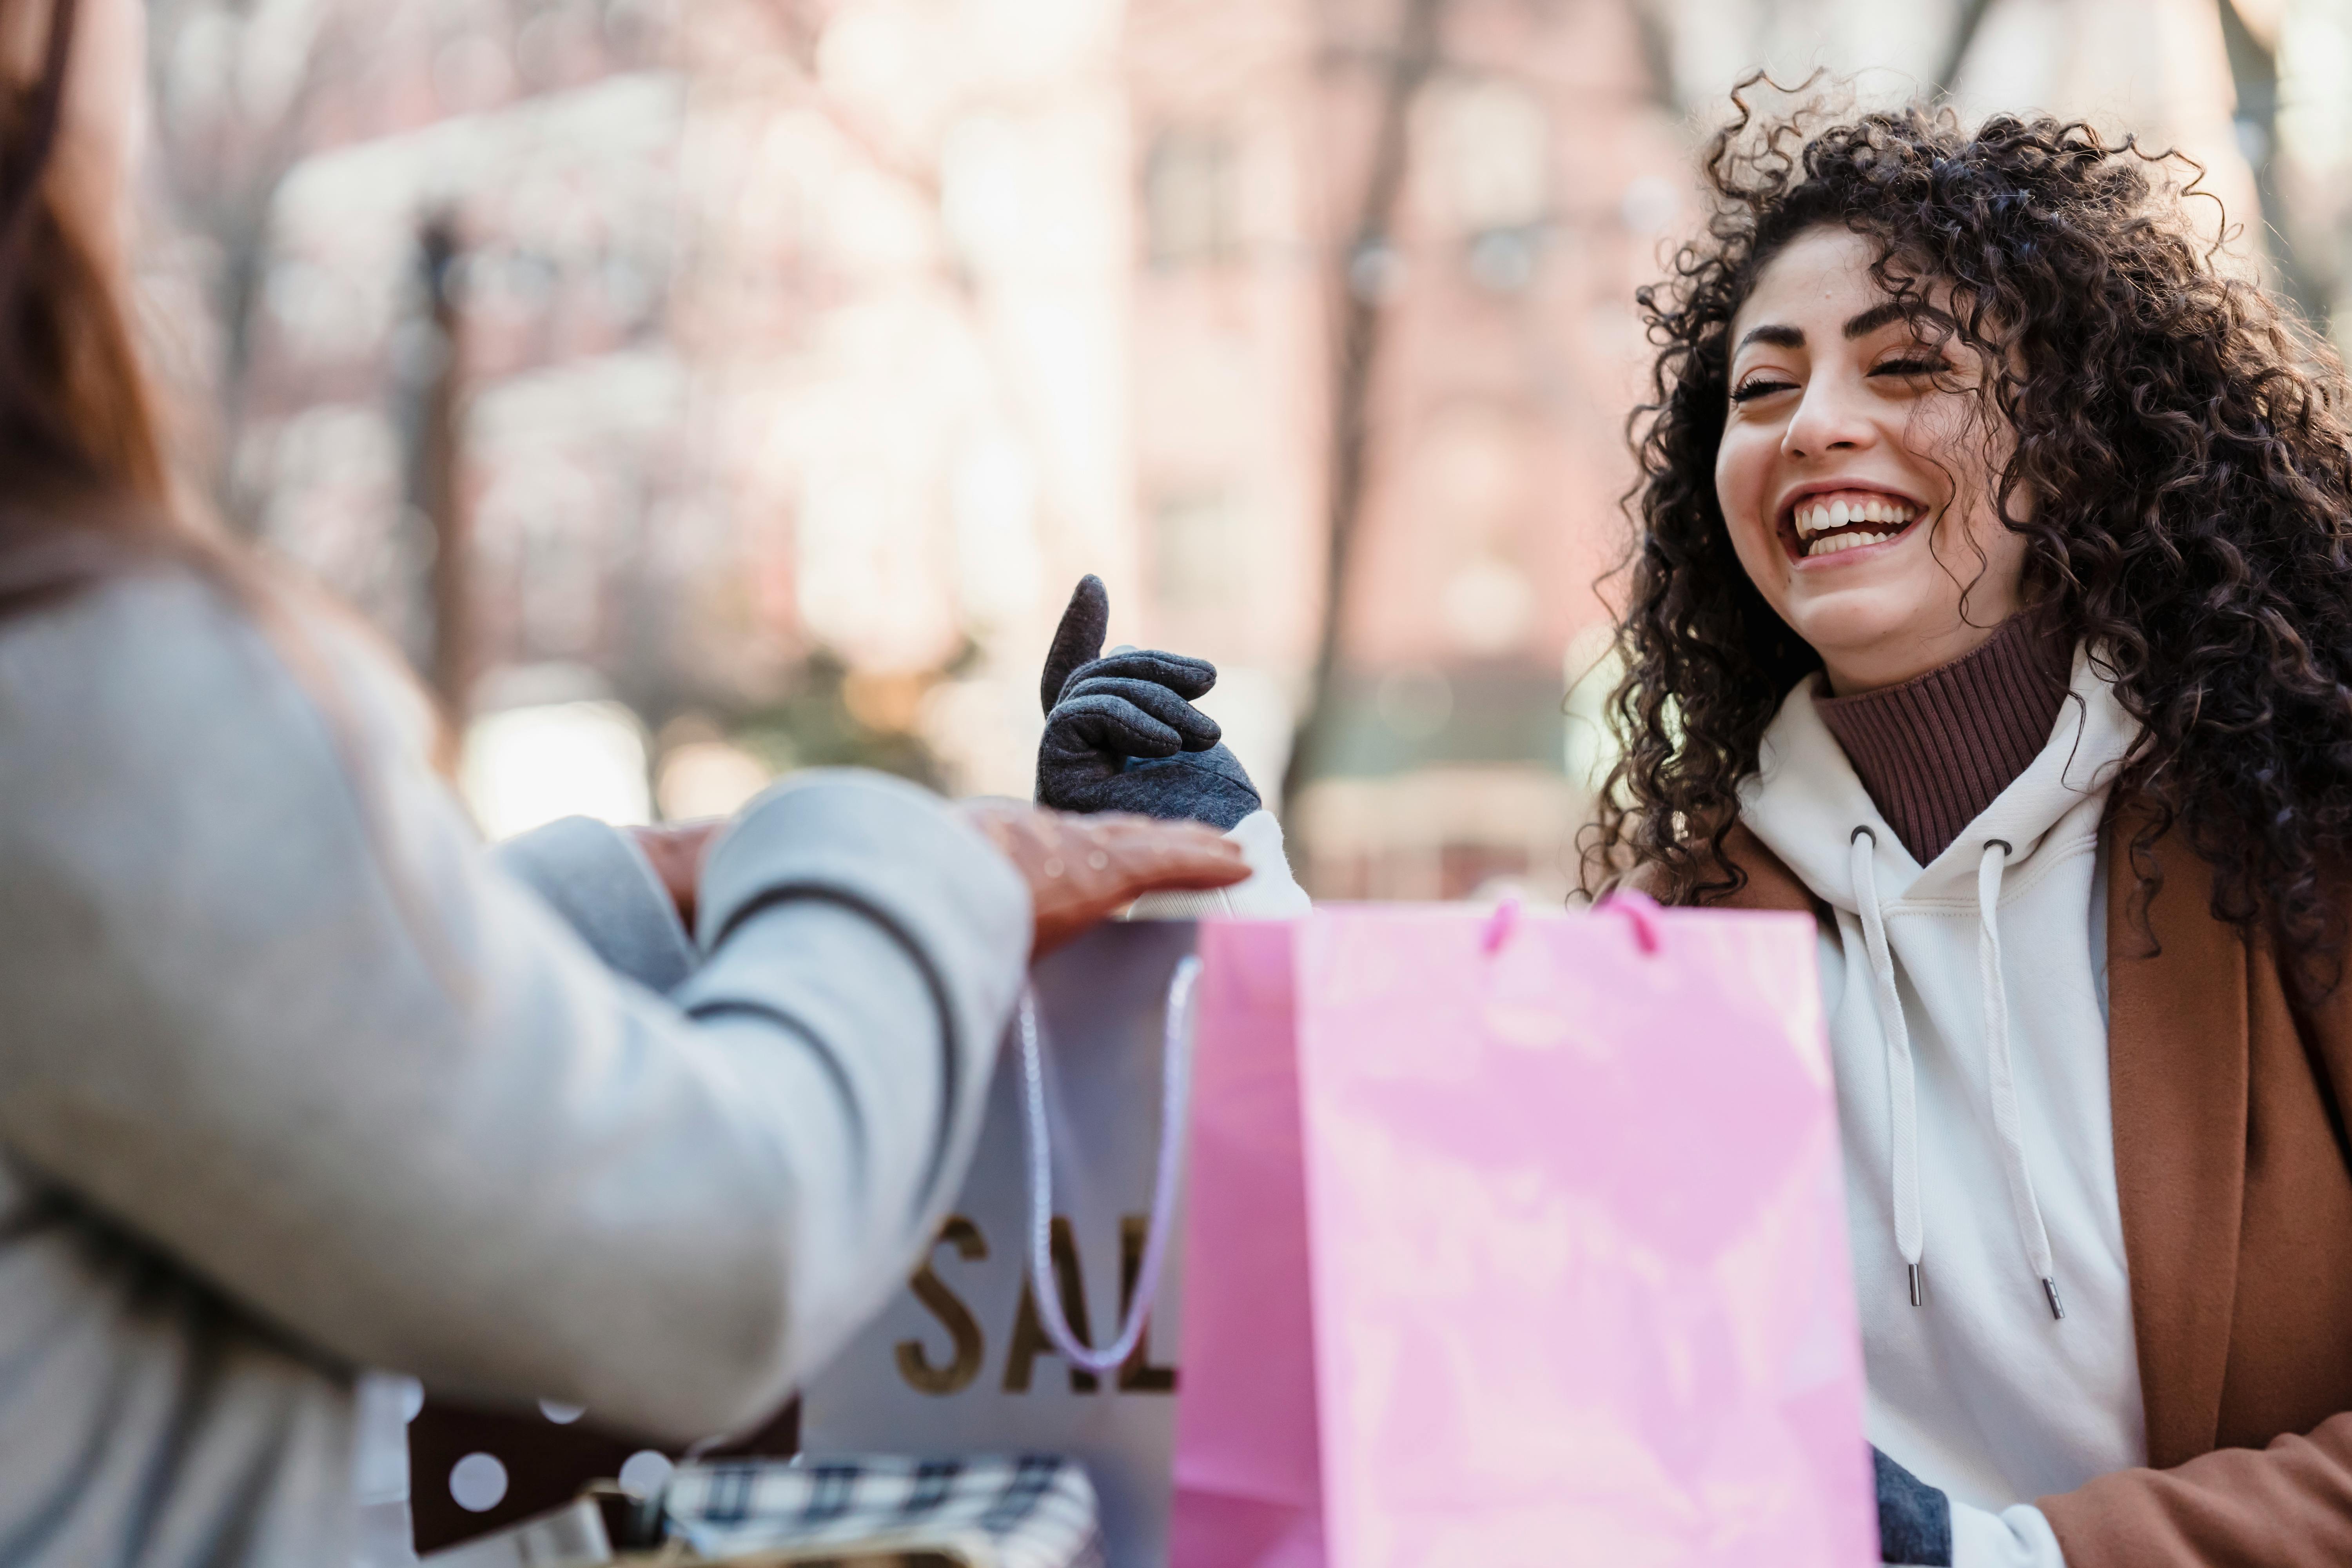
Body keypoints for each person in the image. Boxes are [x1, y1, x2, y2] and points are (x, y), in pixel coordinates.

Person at [0, 0, 1250, 1561]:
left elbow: (184, 1034)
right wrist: (914, 870)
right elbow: (712, 1266)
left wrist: (614, 903)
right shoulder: (78, 677)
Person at [1034, 89, 2352, 1568]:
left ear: (2074, 437)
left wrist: (2003, 1557)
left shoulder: (2304, 839)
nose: (1817, 428)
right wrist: (1203, 871)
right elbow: (1417, 1253)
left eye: (1906, 364)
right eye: (1763, 390)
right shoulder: (1684, 933)